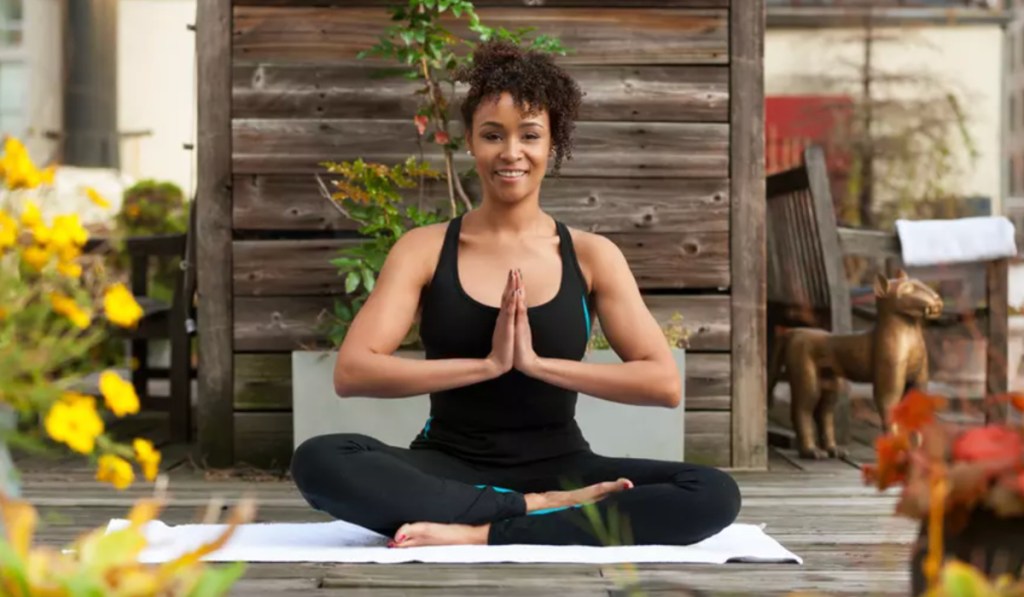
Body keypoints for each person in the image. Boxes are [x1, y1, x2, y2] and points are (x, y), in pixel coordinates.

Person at [291, 40, 741, 548]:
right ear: (470, 141)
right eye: (492, 135)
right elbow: (354, 372)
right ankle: (529, 512)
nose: (511, 153)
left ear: (553, 143)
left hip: (563, 465)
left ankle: (480, 532)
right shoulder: (425, 248)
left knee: (712, 492)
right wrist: (486, 365)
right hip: (449, 465)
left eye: (529, 135)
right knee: (320, 458)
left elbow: (663, 383)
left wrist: (536, 364)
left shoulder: (593, 255)